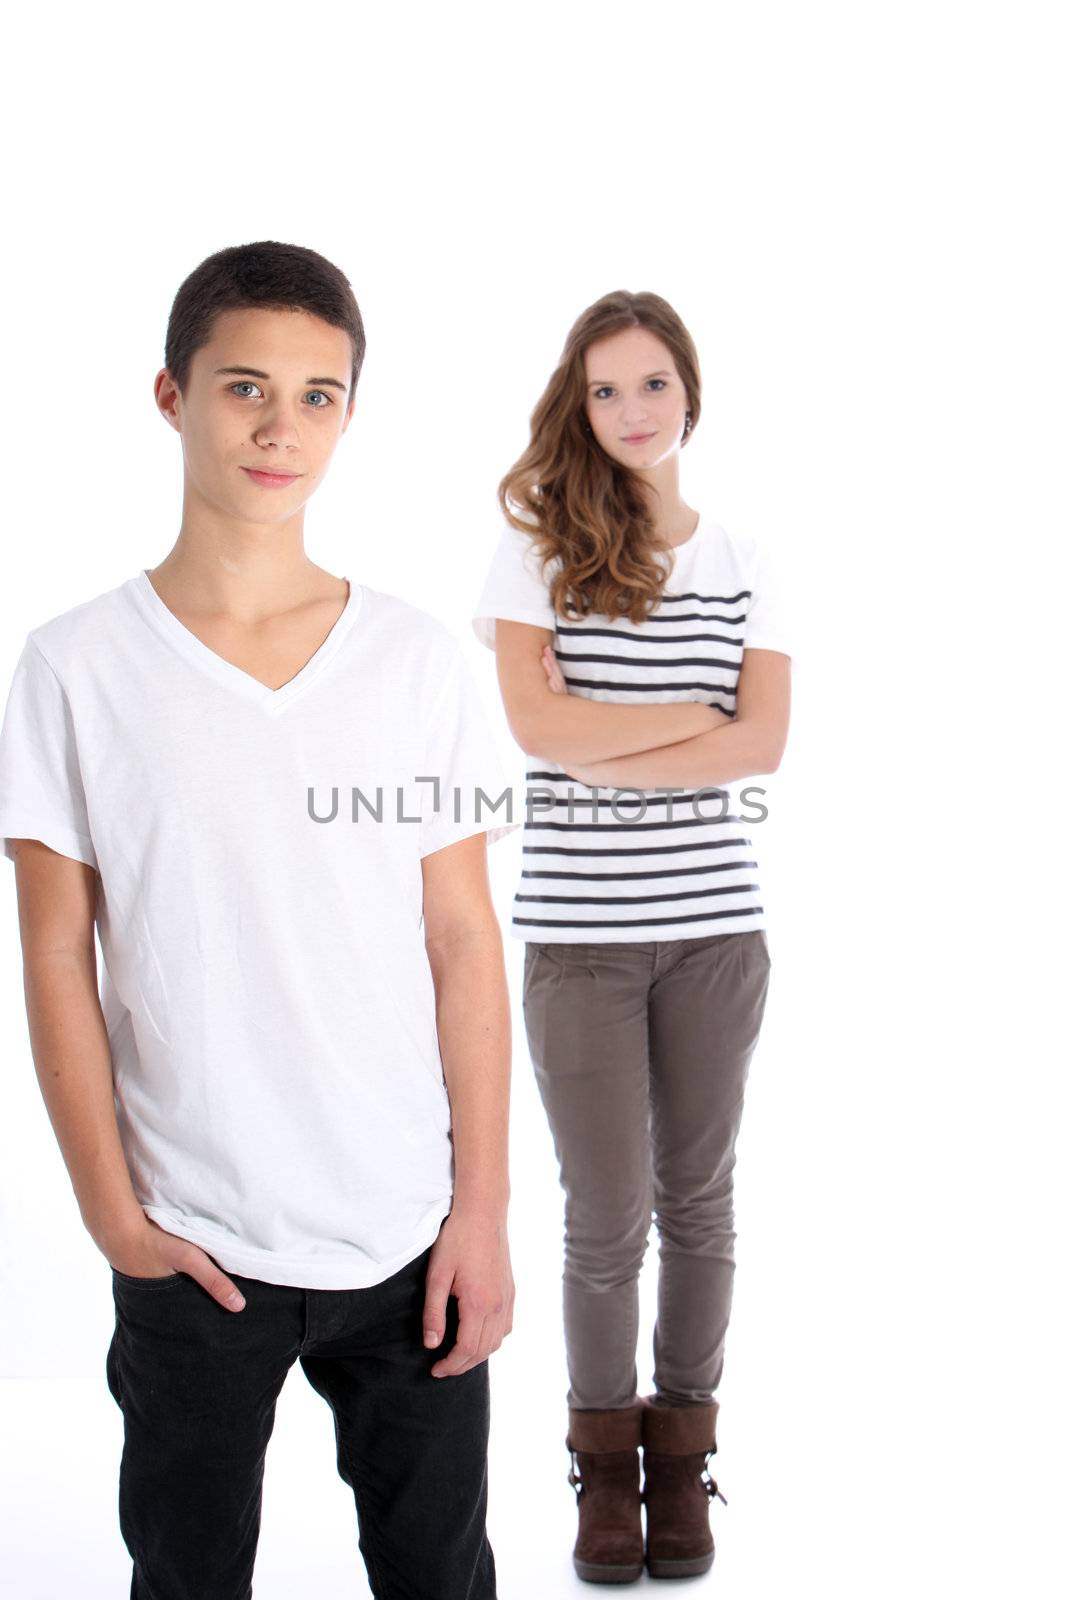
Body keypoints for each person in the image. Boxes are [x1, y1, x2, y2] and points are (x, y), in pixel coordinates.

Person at [0, 240, 518, 1600]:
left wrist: (484, 1209)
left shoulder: (415, 661)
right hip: (194, 1239)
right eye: (244, 387)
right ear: (171, 397)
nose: (280, 426)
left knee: (441, 1571)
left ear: (350, 414)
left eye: (319, 395)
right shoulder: (75, 666)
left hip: (408, 1235)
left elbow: (464, 943)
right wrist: (114, 1218)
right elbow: (55, 949)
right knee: (185, 1575)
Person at [470, 290, 793, 1583]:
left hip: (716, 937)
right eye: (605, 391)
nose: (632, 412)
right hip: (580, 944)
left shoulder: (745, 556)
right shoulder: (533, 544)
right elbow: (533, 734)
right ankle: (604, 1473)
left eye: (652, 384)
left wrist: (610, 740)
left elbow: (764, 747)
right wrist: (687, 739)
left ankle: (683, 1463)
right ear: (579, 404)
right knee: (604, 1216)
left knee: (700, 1206)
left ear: (690, 393)